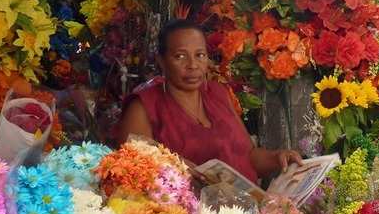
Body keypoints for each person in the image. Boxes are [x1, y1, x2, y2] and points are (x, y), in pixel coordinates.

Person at [118, 19, 301, 184]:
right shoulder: (143, 106)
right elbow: (133, 171)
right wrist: (176, 169)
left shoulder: (218, 93)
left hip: (245, 209)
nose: (193, 65)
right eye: (180, 56)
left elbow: (248, 156)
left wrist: (278, 157)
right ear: (162, 61)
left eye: (200, 55)